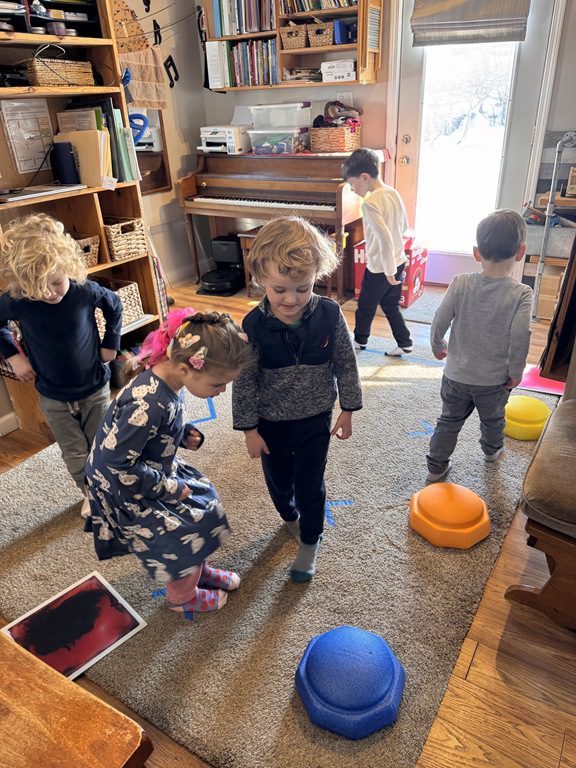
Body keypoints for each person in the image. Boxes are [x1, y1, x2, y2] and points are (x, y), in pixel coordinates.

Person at [85, 308, 256, 615]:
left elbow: (155, 429)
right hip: (127, 486)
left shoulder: (169, 380)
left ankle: (198, 572)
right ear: (186, 368)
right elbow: (117, 466)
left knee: (205, 505)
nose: (222, 391)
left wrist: (182, 434)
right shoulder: (148, 404)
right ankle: (182, 597)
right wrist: (170, 488)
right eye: (217, 384)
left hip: (151, 468)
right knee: (179, 539)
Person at [232, 217, 362, 583]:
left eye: (302, 289)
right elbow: (244, 380)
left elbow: (346, 363)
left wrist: (348, 408)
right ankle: (290, 517)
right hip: (270, 422)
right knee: (278, 482)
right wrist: (249, 430)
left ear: (316, 277)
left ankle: (310, 538)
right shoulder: (253, 325)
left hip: (315, 418)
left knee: (309, 483)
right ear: (261, 278)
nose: (291, 299)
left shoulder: (330, 314)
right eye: (280, 290)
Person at [0, 213, 122, 516]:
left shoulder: (84, 291)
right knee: (74, 452)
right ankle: (90, 492)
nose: (49, 293)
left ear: (68, 267)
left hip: (94, 387)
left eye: (55, 283)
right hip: (53, 396)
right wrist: (13, 356)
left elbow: (114, 306)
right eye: (38, 289)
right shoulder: (18, 301)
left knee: (103, 442)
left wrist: (111, 343)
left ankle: (111, 486)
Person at [426, 209, 532, 483]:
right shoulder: (521, 294)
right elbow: (520, 336)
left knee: (449, 420)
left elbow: (440, 318)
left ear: (476, 252)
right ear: (520, 252)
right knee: (493, 419)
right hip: (493, 381)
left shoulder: (460, 283)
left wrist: (437, 345)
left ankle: (436, 467)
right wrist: (516, 372)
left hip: (455, 375)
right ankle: (491, 451)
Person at [341, 147, 413, 356]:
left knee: (365, 305)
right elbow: (404, 225)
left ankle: (359, 341)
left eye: (353, 184)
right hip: (398, 260)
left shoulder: (370, 203)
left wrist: (388, 271)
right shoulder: (392, 192)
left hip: (382, 266)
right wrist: (394, 267)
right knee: (390, 304)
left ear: (365, 177)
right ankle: (405, 342)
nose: (352, 189)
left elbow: (384, 239)